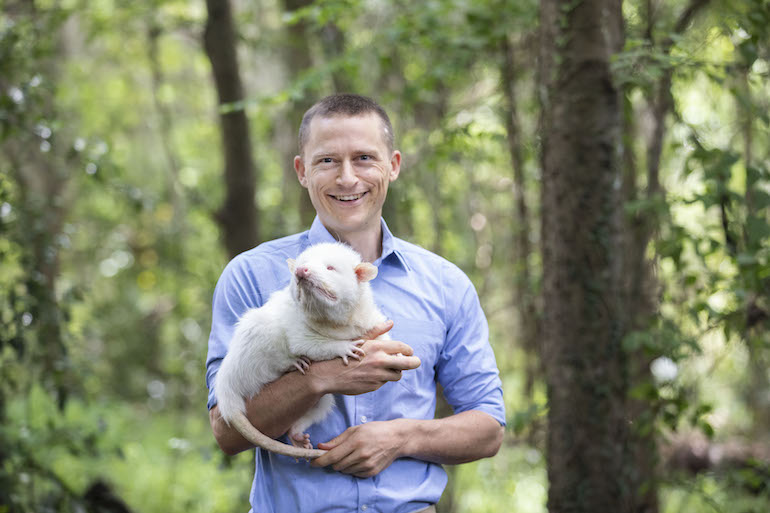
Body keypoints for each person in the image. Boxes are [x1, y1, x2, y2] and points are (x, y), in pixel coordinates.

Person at [205, 93, 505, 513]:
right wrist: (319, 378)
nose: (347, 178)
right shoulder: (250, 276)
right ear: (302, 171)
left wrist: (400, 438)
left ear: (393, 165)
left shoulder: (446, 285)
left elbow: (489, 428)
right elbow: (226, 432)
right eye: (327, 161)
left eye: (364, 158)